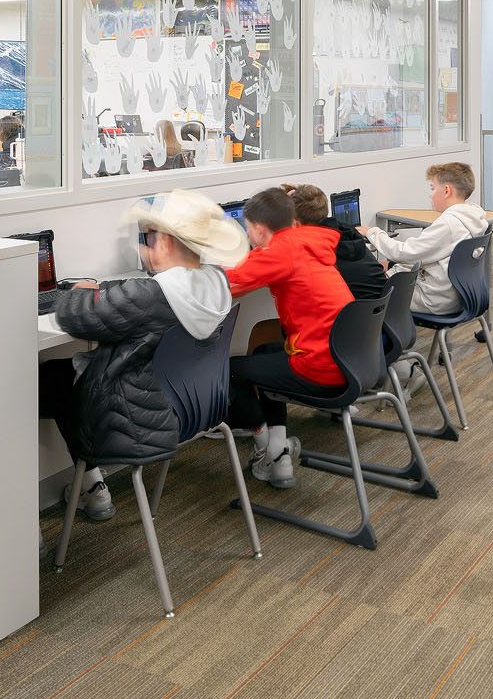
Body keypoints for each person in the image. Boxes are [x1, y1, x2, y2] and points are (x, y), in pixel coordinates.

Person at [40, 191, 246, 522]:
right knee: (69, 375)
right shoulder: (216, 282)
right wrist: (106, 288)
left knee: (49, 381)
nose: (146, 246)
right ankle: (91, 484)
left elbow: (74, 317)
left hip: (133, 420)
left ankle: (90, 486)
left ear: (164, 242)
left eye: (150, 238)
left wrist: (76, 293)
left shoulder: (150, 296)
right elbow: (136, 296)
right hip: (190, 407)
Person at [222, 187, 355, 490]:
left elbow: (227, 284)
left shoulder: (279, 251)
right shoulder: (308, 242)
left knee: (231, 369)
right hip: (348, 357)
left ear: (257, 228)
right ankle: (278, 449)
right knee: (264, 353)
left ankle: (264, 449)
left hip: (321, 366)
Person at [361, 162, 487, 318]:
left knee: (367, 288)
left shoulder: (448, 224)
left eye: (433, 188)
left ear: (446, 190)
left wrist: (372, 233)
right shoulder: (473, 218)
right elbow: (424, 256)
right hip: (459, 296)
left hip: (434, 301)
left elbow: (403, 253)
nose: (430, 195)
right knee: (389, 267)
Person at [286, 182, 386, 299]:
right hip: (383, 311)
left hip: (350, 315)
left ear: (295, 222)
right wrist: (306, 198)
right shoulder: (349, 234)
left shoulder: (313, 252)